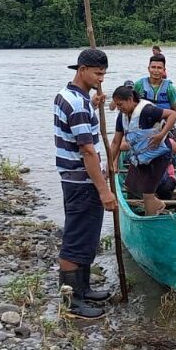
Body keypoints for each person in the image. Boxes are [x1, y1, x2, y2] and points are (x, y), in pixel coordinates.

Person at [53, 48, 117, 320]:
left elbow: (77, 121)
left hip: (75, 177)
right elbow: (88, 151)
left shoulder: (70, 97)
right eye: (97, 73)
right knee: (77, 238)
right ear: (82, 70)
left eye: (103, 74)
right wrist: (104, 189)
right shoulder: (78, 105)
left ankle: (84, 289)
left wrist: (94, 105)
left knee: (87, 236)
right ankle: (71, 302)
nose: (101, 78)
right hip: (81, 179)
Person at [110, 84, 176, 216]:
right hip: (141, 156)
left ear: (130, 99)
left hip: (159, 156)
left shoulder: (147, 111)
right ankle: (157, 204)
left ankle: (150, 219)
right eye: (116, 105)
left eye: (120, 104)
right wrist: (108, 165)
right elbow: (115, 143)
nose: (118, 108)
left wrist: (161, 135)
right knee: (130, 186)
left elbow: (173, 114)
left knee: (148, 195)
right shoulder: (122, 116)